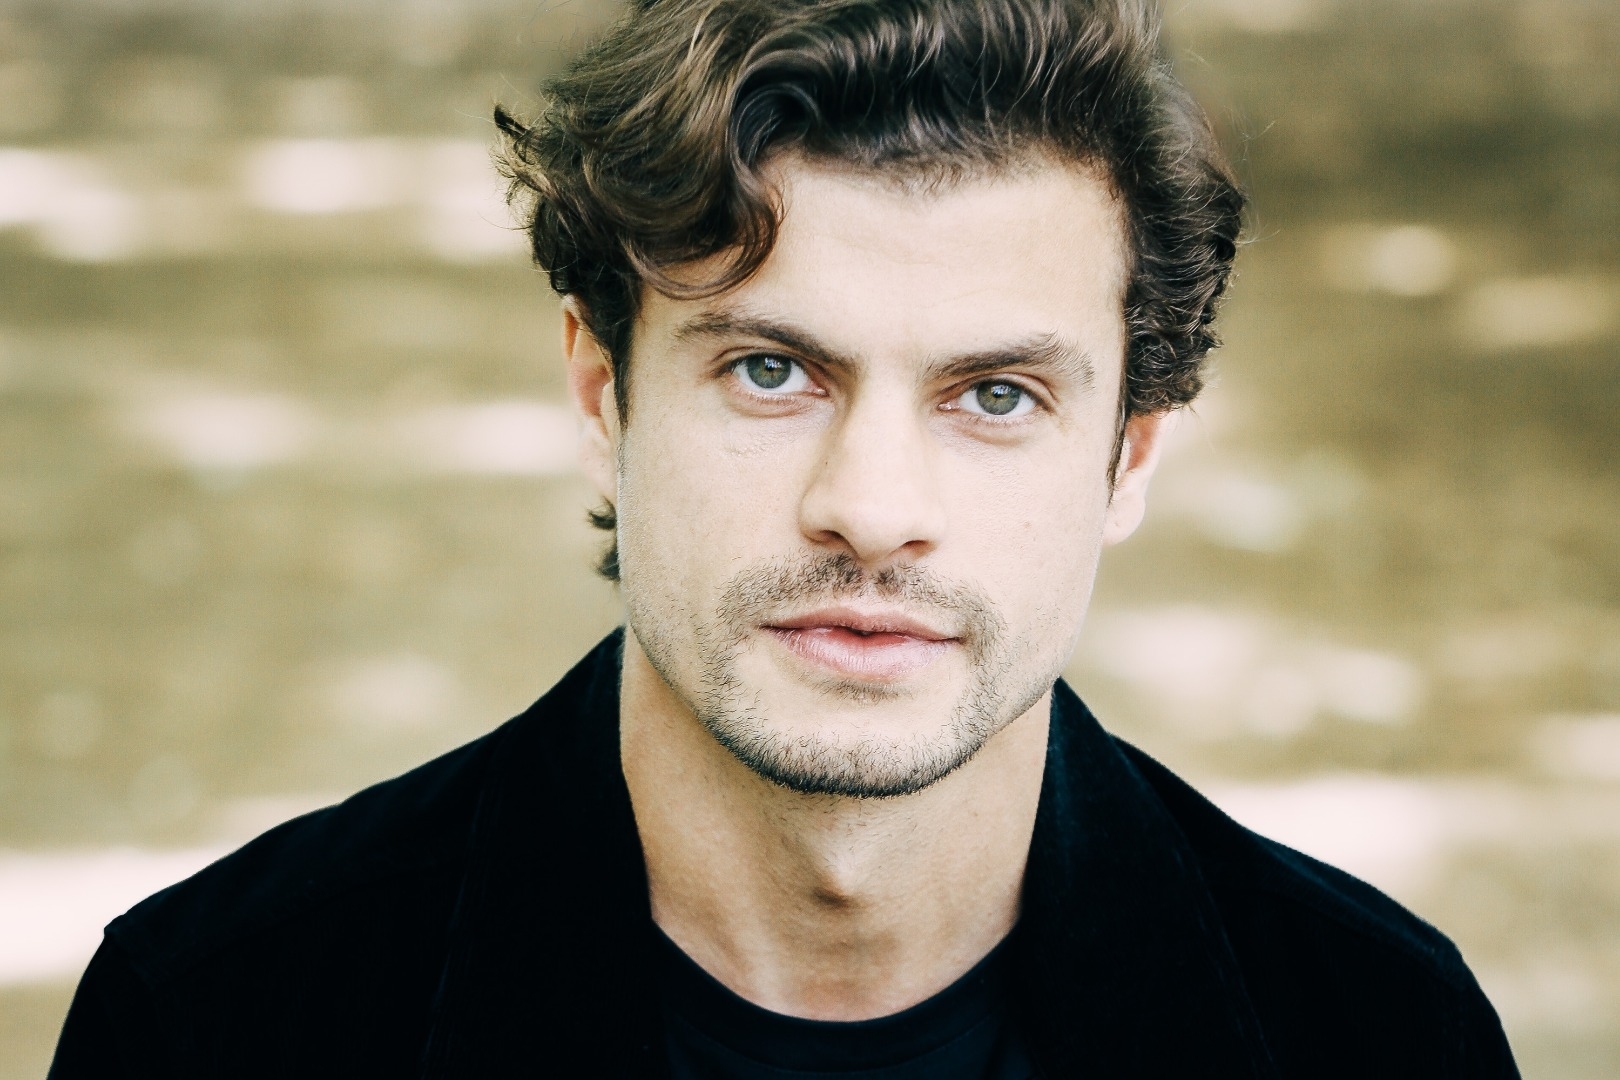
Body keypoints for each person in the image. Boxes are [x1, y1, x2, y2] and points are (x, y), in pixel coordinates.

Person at [50, 1, 1519, 1076]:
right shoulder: (216, 1026)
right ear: (603, 394)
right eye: (772, 371)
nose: (871, 507)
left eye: (995, 396)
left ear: (1128, 454)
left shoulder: (1380, 1036)